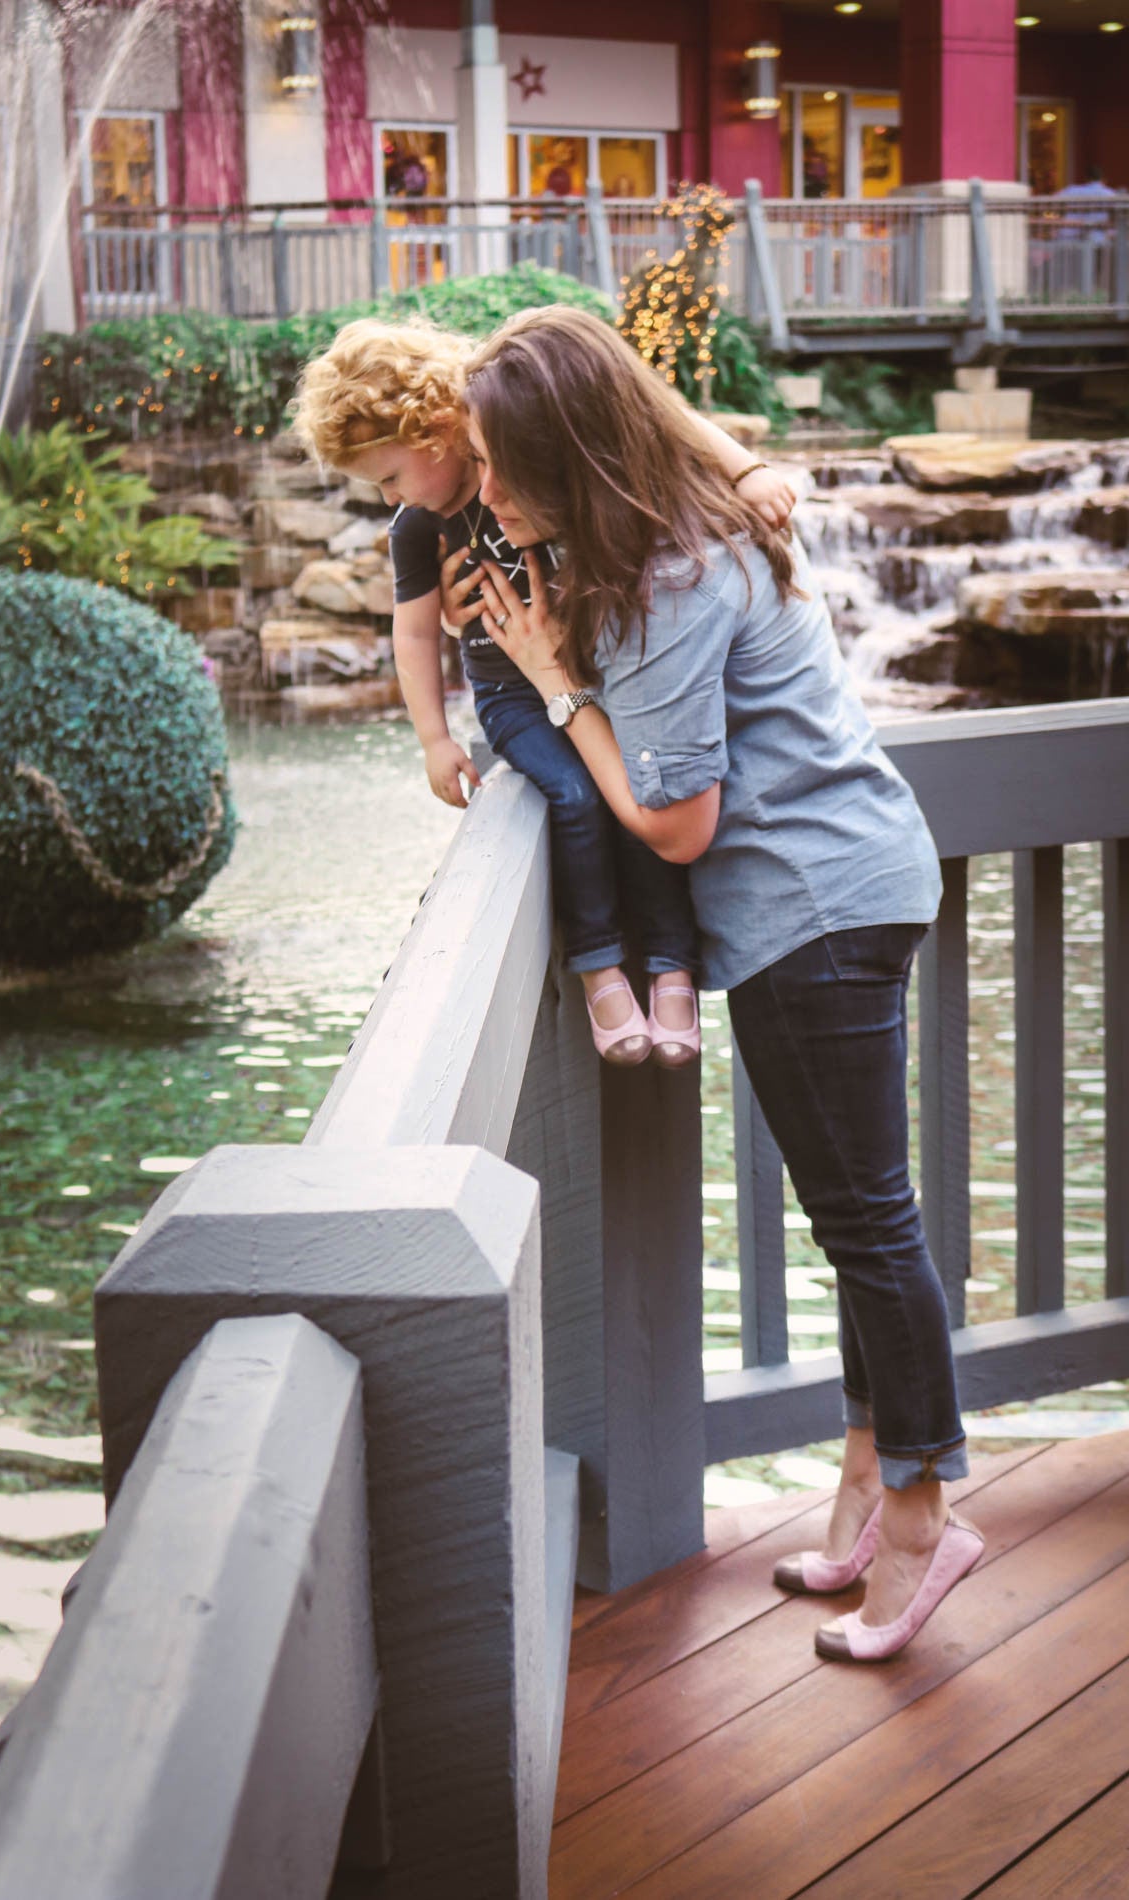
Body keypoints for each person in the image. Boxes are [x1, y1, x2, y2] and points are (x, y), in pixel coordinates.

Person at [461, 304, 982, 1662]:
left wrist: (548, 679)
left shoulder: (661, 585)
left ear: (569, 463)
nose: (485, 494)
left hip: (813, 911)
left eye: (502, 469)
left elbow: (674, 823)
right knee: (856, 1222)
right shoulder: (671, 529)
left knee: (867, 1225)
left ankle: (927, 1517)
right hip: (845, 889)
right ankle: (869, 1496)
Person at [292, 317, 797, 1066]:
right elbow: (416, 633)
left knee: (644, 796)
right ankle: (599, 969)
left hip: (598, 673)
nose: (388, 497)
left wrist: (743, 470)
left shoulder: (522, 442)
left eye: (389, 476)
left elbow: (650, 409)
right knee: (576, 797)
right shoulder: (417, 530)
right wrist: (434, 739)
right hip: (516, 695)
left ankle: (670, 967)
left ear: (434, 433)